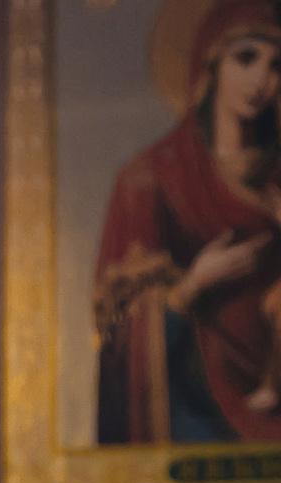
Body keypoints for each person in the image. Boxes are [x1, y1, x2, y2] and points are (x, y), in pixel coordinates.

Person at [96, 1, 281, 440]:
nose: (262, 81)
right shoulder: (151, 179)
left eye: (277, 66)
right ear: (209, 62)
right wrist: (192, 286)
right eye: (246, 58)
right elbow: (120, 333)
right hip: (196, 409)